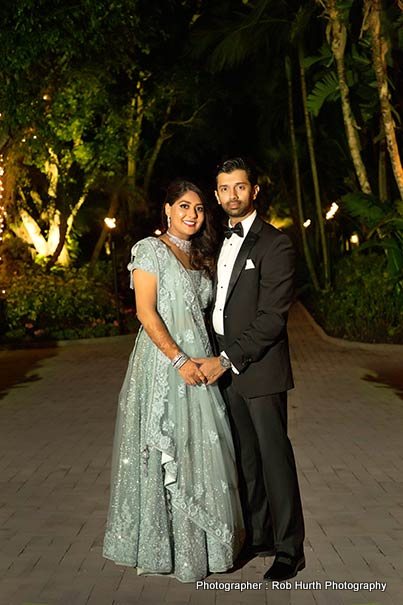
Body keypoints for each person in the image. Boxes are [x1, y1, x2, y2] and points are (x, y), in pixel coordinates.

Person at [102, 179, 244, 583]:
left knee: (199, 448)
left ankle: (201, 547)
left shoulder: (198, 256)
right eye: (183, 206)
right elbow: (146, 313)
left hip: (200, 365)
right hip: (164, 365)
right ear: (167, 209)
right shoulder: (149, 250)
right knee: (167, 450)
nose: (192, 215)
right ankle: (164, 546)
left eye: (199, 209)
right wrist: (179, 359)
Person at [193, 158, 305, 581]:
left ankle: (289, 549)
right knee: (246, 456)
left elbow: (272, 319)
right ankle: (259, 534)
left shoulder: (275, 244)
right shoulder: (216, 240)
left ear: (253, 191)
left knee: (275, 458)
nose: (232, 195)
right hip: (224, 364)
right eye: (224, 189)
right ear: (217, 194)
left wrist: (226, 360)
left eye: (240, 187)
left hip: (257, 368)